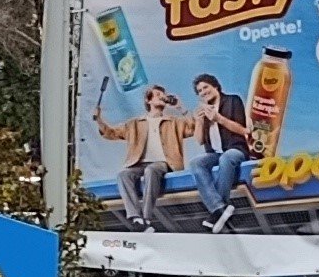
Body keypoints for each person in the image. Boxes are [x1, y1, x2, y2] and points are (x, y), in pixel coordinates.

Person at [92, 79, 191, 231]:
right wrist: (99, 119)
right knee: (124, 174)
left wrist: (181, 108)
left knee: (151, 170)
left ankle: (146, 217)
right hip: (138, 162)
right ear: (148, 100)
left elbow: (194, 128)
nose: (162, 97)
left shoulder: (173, 122)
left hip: (164, 162)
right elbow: (111, 133)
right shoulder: (134, 123)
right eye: (157, 94)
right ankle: (135, 217)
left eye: (163, 95)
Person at [188, 74, 263, 233]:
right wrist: (199, 122)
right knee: (195, 163)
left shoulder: (232, 100)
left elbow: (243, 130)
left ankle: (219, 210)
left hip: (235, 149)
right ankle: (219, 208)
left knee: (226, 158)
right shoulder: (203, 111)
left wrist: (218, 118)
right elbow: (199, 141)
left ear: (215, 86)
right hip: (214, 153)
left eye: (205, 87)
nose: (203, 92)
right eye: (199, 90)